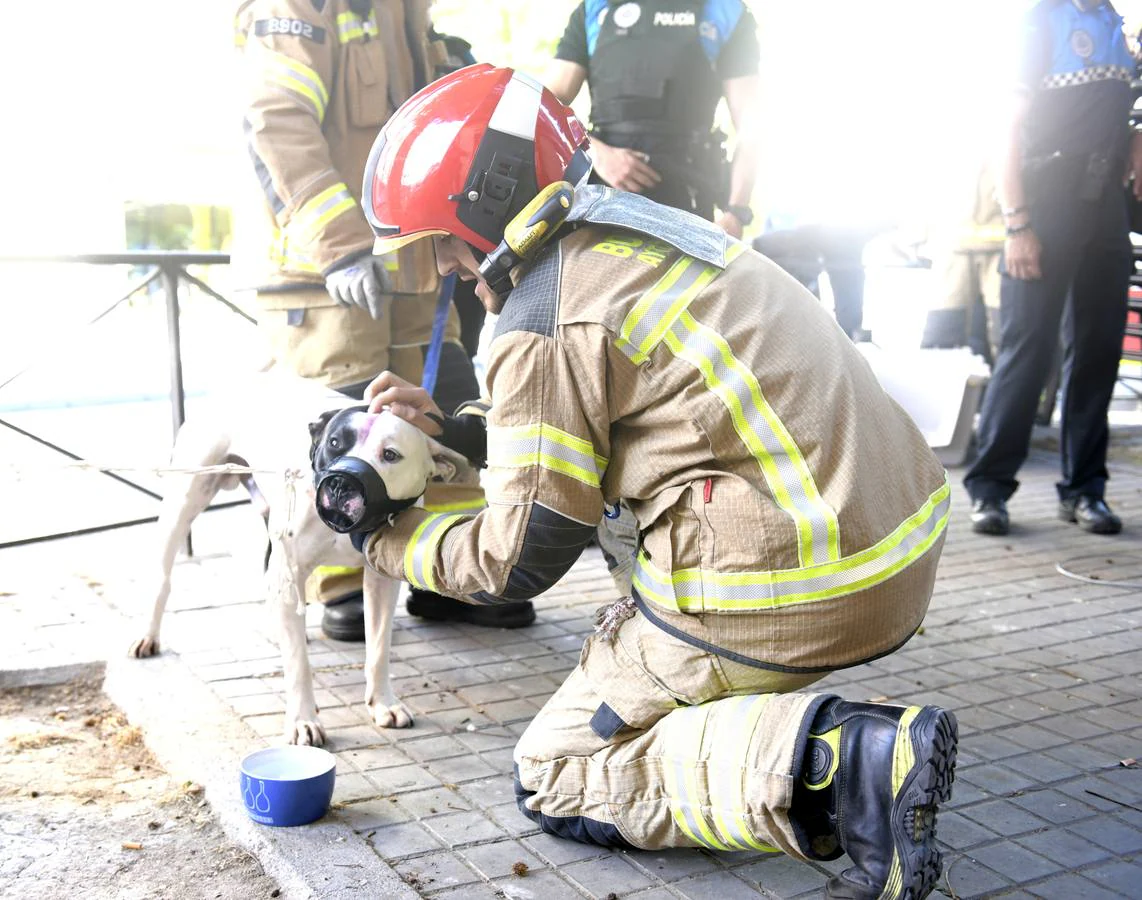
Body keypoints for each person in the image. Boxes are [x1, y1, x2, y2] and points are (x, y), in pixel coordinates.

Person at [334, 65, 959, 900]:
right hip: (891, 549)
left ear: (487, 202)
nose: (446, 268)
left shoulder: (539, 316)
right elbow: (608, 411)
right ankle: (758, 716)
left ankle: (841, 766)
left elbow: (516, 558)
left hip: (799, 591)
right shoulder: (644, 232)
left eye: (441, 241)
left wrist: (384, 536)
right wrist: (455, 433)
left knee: (555, 769)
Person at [233, 1, 536, 636]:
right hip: (325, 280)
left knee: (437, 416)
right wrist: (341, 243)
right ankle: (337, 578)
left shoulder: (407, 10)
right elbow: (276, 119)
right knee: (341, 429)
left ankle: (449, 570)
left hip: (413, 270)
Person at [965, 0, 1140, 537]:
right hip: (1045, 204)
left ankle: (1085, 490)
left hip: (1105, 207)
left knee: (1097, 352)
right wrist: (1018, 223)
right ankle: (990, 489)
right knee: (1028, 350)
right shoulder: (1040, 18)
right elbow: (1006, 130)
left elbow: (1125, 111)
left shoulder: (1116, 24)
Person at [543, 0, 761, 238]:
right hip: (600, 201)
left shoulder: (725, 10)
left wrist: (736, 213)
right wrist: (595, 153)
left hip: (688, 204)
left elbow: (752, 126)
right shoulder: (594, 9)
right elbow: (545, 107)